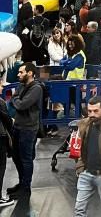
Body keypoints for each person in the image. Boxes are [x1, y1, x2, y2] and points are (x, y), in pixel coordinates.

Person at [7, 63, 42, 201]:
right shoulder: (21, 85)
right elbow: (15, 101)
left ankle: (26, 189)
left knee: (26, 159)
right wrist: (16, 100)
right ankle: (22, 183)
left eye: (21, 72)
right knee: (16, 157)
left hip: (28, 129)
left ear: (30, 73)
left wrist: (16, 99)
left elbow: (21, 105)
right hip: (18, 126)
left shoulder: (36, 88)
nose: (18, 74)